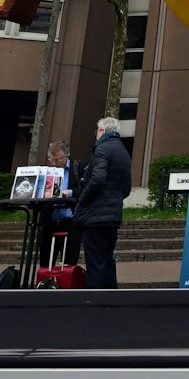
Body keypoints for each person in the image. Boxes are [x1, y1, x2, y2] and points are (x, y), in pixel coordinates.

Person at [71, 117, 130, 290]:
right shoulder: (123, 152)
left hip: (95, 216)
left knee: (95, 262)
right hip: (113, 216)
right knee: (107, 260)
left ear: (103, 132)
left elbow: (97, 179)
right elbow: (126, 187)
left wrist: (82, 200)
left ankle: (95, 301)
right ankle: (111, 298)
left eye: (97, 130)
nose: (95, 134)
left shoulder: (102, 150)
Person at [39, 141, 72, 274]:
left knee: (68, 261)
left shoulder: (76, 168)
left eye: (57, 160)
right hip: (49, 220)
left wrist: (70, 193)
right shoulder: (47, 171)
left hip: (69, 220)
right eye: (51, 159)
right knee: (46, 261)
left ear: (66, 156)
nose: (53, 163)